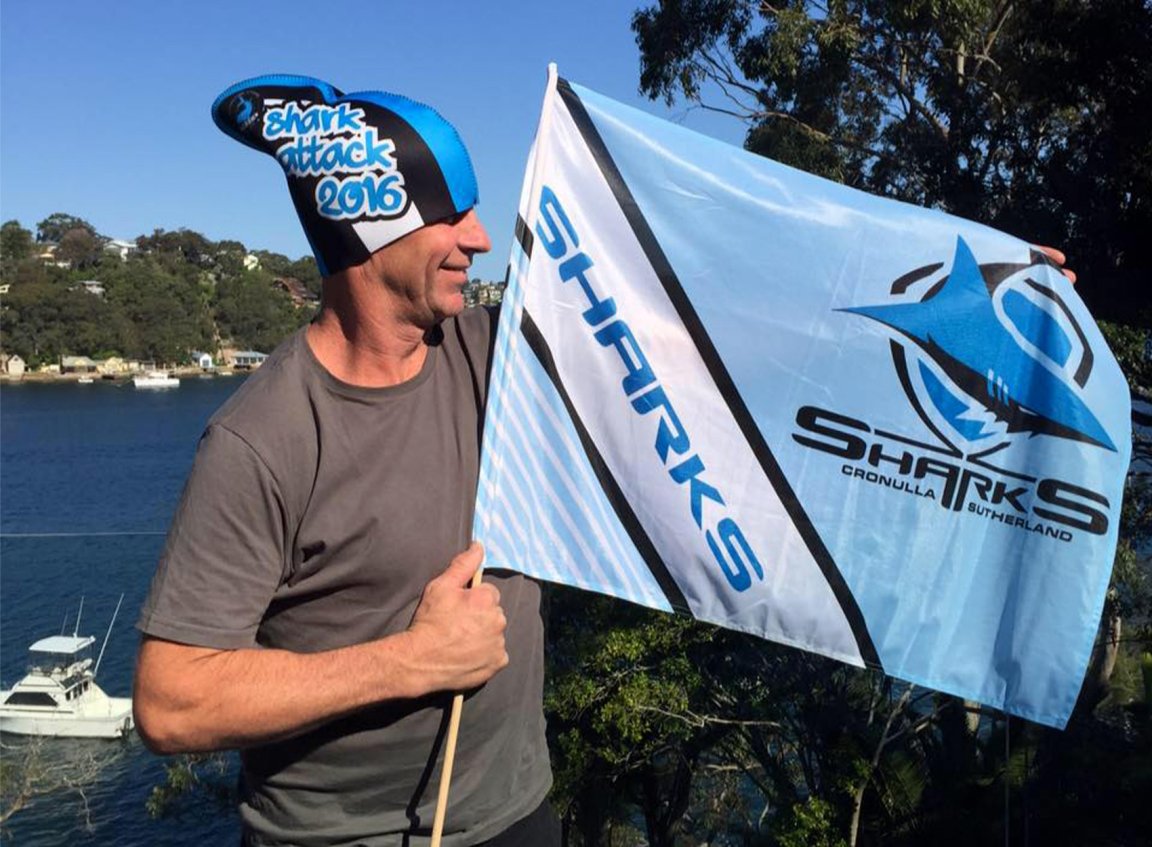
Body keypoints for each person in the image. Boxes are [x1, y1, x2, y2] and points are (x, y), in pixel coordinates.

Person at [133, 75, 557, 846]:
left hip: (518, 813)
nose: (479, 236)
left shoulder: (497, 352)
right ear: (368, 230)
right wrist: (412, 661)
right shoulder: (262, 439)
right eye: (450, 212)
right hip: (342, 836)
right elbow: (171, 701)